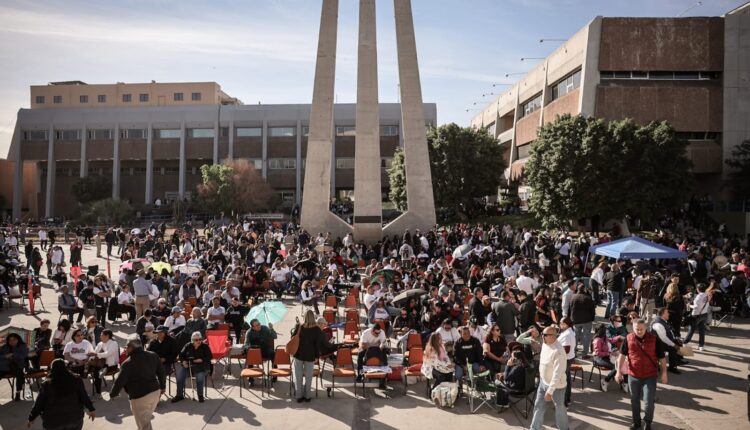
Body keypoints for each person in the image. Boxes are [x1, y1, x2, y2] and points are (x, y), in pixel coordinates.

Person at [616, 319, 667, 430]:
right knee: (634, 400)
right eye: (636, 329)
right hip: (633, 375)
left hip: (650, 376)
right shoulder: (628, 338)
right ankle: (636, 422)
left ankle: (647, 422)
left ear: (646, 328)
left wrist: (664, 373)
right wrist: (618, 371)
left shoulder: (654, 339)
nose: (639, 331)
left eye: (641, 329)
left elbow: (662, 358)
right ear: (633, 328)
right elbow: (622, 356)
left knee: (648, 402)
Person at [110, 335, 166, 430]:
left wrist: (113, 394)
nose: (125, 348)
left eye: (127, 346)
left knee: (144, 425)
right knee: (145, 421)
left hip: (140, 397)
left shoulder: (128, 363)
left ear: (131, 347)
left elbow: (119, 381)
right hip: (155, 393)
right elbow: (161, 372)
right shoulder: (153, 355)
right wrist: (163, 387)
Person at [28, 359, 96, 429]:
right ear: (65, 368)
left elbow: (39, 403)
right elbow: (84, 396)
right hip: (75, 419)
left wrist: (31, 417)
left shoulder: (46, 384)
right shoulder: (76, 379)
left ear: (52, 369)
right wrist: (91, 409)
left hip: (53, 422)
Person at [529, 326, 568, 430]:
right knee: (538, 407)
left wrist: (550, 391)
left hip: (556, 387)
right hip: (543, 383)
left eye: (545, 335)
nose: (542, 336)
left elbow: (557, 374)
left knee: (559, 409)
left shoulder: (559, 352)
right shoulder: (545, 344)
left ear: (553, 336)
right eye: (542, 334)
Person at [291, 310, 327, 403]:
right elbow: (318, 345)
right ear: (313, 317)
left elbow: (293, 338)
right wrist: (316, 356)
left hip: (298, 354)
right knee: (308, 376)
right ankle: (307, 396)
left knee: (298, 376)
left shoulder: (299, 326)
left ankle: (299, 396)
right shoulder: (317, 329)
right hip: (310, 355)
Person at [172, 331, 212, 403]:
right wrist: (183, 361)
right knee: (180, 377)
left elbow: (209, 357)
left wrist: (201, 359)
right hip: (188, 366)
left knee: (199, 378)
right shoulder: (188, 345)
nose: (199, 341)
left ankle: (200, 395)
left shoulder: (205, 346)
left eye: (200, 339)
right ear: (192, 340)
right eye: (196, 340)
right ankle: (179, 395)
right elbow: (181, 355)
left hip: (201, 366)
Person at [651, 307, 685, 374]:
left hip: (662, 342)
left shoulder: (664, 320)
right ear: (663, 314)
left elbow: (670, 331)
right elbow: (663, 338)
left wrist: (676, 338)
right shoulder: (658, 324)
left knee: (677, 344)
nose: (669, 314)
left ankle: (676, 362)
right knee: (673, 347)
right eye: (667, 312)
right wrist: (674, 345)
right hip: (658, 344)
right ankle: (672, 367)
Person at [453, 326, 484, 392]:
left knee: (480, 370)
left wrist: (481, 364)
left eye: (468, 333)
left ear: (470, 333)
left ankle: (477, 387)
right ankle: (459, 389)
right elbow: (455, 356)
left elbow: (480, 353)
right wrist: (462, 365)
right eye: (464, 334)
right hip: (462, 364)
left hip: (473, 363)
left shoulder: (475, 341)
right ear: (461, 334)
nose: (466, 335)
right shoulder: (457, 343)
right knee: (458, 375)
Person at [90, 329, 120, 397]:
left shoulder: (113, 343)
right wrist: (91, 357)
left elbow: (108, 354)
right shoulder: (100, 344)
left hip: (111, 365)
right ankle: (98, 390)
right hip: (100, 364)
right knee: (95, 369)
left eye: (102, 335)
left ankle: (98, 391)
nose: (100, 336)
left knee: (97, 372)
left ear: (107, 336)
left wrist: (97, 355)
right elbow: (95, 352)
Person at [570, 284, 595, 359]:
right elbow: (592, 310)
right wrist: (592, 318)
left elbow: (570, 308)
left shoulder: (573, 297)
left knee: (575, 336)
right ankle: (584, 354)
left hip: (576, 320)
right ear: (584, 289)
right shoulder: (588, 298)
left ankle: (573, 352)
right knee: (586, 336)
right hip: (587, 320)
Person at [0, 333, 28, 401]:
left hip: (18, 366)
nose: (12, 342)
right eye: (10, 340)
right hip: (5, 367)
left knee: (20, 374)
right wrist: (4, 356)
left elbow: (23, 355)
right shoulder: (5, 346)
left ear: (18, 339)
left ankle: (18, 393)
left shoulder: (22, 346)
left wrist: (13, 355)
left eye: (14, 340)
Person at [684, 283, 710, 351]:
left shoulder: (698, 296)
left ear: (698, 289)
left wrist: (689, 306)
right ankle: (701, 346)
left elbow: (696, 307)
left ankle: (685, 342)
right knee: (702, 331)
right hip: (704, 314)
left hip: (696, 315)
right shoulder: (707, 295)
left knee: (691, 330)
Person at [557, 317, 576, 407]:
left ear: (566, 324)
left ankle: (564, 402)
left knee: (563, 381)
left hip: (565, 359)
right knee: (567, 379)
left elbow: (566, 350)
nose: (559, 325)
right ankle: (567, 400)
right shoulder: (568, 331)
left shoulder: (567, 334)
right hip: (569, 358)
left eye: (561, 323)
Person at [592, 324, 617, 391]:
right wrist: (609, 353)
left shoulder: (604, 338)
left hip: (605, 357)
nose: (606, 332)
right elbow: (598, 353)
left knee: (620, 365)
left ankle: (623, 382)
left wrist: (620, 337)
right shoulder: (597, 340)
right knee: (616, 367)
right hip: (598, 358)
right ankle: (605, 381)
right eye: (605, 331)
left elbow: (611, 340)